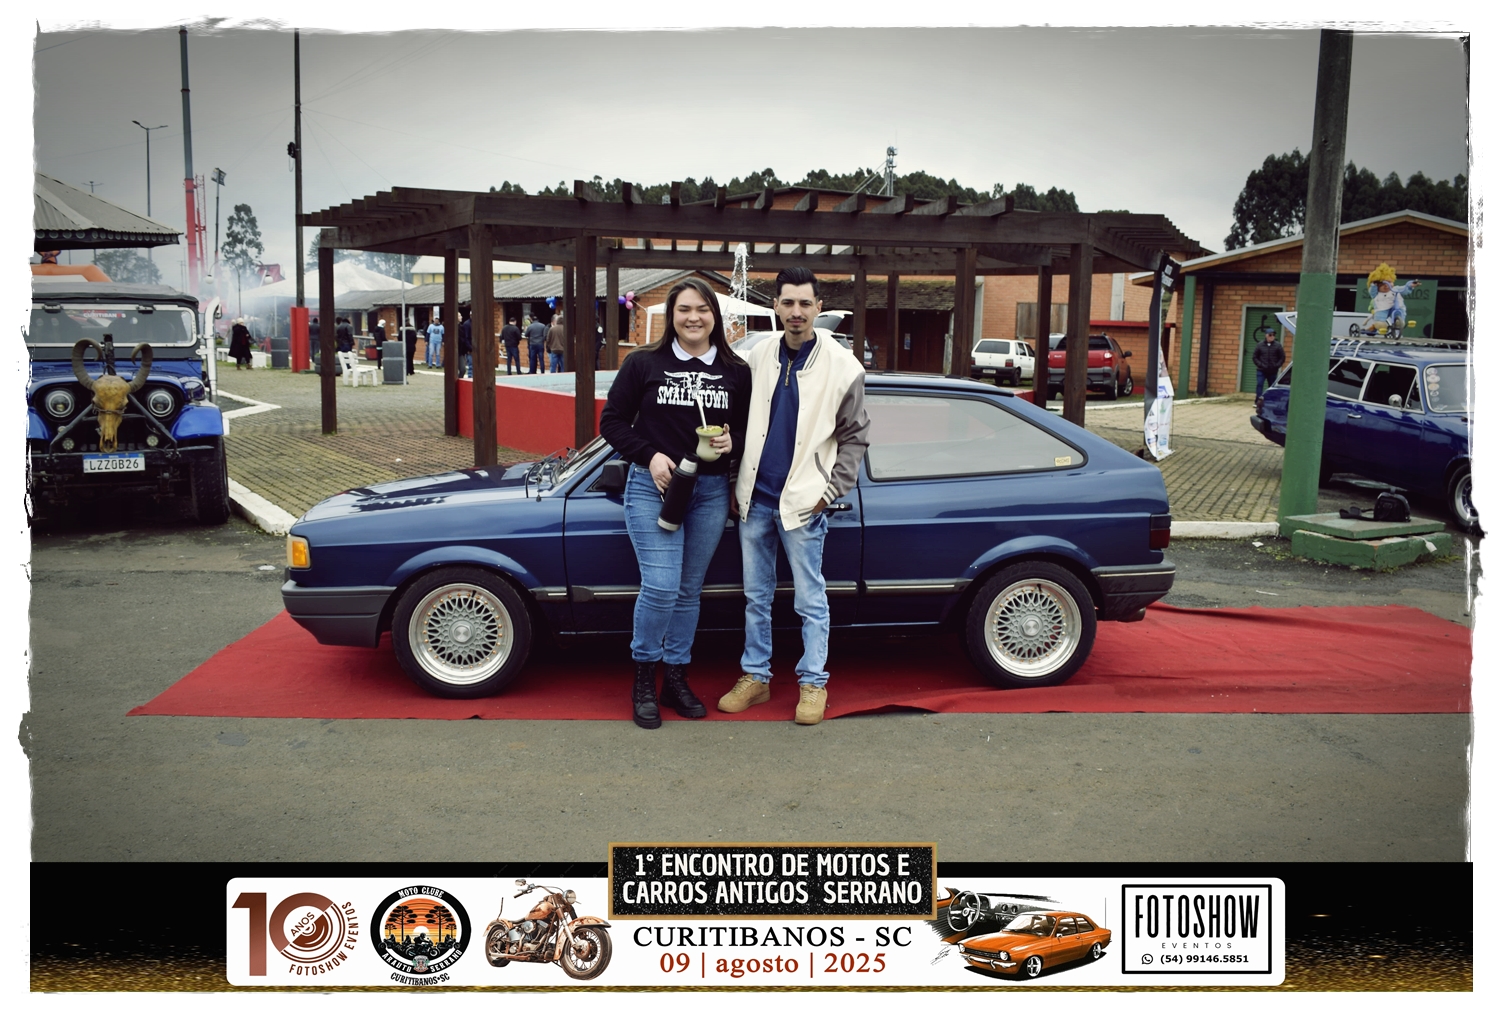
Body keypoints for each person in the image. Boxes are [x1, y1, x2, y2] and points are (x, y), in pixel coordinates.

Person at [719, 267, 869, 727]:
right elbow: (741, 423)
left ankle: (814, 682)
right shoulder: (758, 355)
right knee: (755, 597)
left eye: (805, 303)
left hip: (804, 505)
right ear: (776, 307)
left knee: (810, 600)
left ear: (819, 307)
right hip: (755, 501)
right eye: (788, 302)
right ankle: (756, 676)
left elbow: (855, 437)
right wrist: (735, 480)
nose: (796, 311)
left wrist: (829, 492)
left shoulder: (844, 366)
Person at [599, 277, 750, 729]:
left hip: (709, 492)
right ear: (672, 315)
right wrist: (650, 455)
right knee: (662, 586)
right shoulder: (644, 363)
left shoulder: (736, 370)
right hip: (654, 487)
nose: (693, 317)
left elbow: (749, 432)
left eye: (702, 309)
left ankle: (676, 677)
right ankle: (644, 678)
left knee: (688, 591)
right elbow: (612, 422)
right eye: (684, 309)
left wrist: (733, 444)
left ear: (714, 316)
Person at [1252, 329, 1285, 406]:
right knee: (1259, 384)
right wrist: (1260, 365)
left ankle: (1271, 401)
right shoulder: (1260, 345)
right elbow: (1255, 357)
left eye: (1273, 335)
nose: (1272, 336)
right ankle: (1258, 401)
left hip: (1272, 371)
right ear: (1266, 335)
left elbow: (1282, 357)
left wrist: (1276, 366)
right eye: (1270, 335)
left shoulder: (1278, 345)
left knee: (1271, 386)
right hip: (1261, 370)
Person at [457, 312, 474, 378]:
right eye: (459, 316)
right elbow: (466, 338)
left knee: (463, 369)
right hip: (458, 351)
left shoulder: (461, 327)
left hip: (461, 351)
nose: (461, 317)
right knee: (469, 367)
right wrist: (469, 348)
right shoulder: (466, 324)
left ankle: (458, 380)